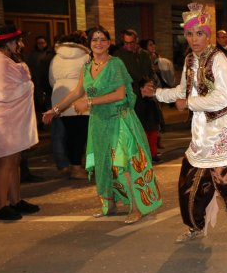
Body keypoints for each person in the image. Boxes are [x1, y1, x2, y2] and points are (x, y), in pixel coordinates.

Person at [142, 3, 227, 255]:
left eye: (199, 33)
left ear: (208, 34)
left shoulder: (218, 58)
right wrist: (155, 93)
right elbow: (182, 92)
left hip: (222, 129)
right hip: (201, 132)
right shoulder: (190, 59)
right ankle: (195, 225)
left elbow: (223, 98)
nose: (194, 39)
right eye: (190, 34)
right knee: (189, 183)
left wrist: (188, 103)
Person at [43, 26, 162, 224]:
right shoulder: (87, 67)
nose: (98, 43)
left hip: (119, 119)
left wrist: (89, 103)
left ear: (108, 43)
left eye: (102, 39)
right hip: (98, 122)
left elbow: (119, 94)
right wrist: (55, 111)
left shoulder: (115, 64)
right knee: (104, 164)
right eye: (94, 39)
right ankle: (110, 204)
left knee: (123, 164)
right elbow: (76, 92)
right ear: (89, 44)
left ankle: (136, 207)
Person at [0, 24, 41, 220]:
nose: (21, 44)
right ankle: (0, 206)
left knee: (15, 160)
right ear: (7, 43)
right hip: (4, 118)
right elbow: (4, 92)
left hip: (14, 118)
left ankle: (15, 200)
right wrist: (26, 81)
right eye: (18, 41)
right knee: (5, 162)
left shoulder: (7, 60)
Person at [115, 29, 161, 163]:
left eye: (131, 42)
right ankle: (136, 155)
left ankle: (151, 153)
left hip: (147, 94)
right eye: (126, 43)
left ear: (136, 41)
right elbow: (125, 76)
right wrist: (141, 83)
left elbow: (151, 71)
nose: (129, 45)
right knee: (134, 126)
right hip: (131, 95)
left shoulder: (144, 54)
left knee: (151, 125)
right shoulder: (119, 56)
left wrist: (151, 83)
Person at [48, 31, 91, 179]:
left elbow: (51, 79)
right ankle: (76, 167)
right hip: (79, 99)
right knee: (78, 135)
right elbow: (89, 81)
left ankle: (65, 165)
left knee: (62, 135)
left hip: (59, 98)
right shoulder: (86, 57)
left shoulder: (56, 58)